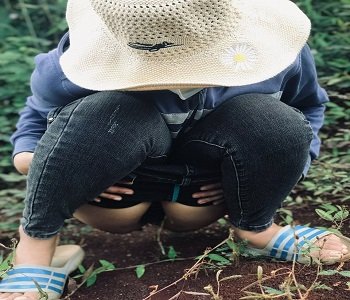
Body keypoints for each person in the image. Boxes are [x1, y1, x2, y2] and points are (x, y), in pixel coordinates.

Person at [1, 0, 350, 299]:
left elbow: (306, 108)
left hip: (202, 194)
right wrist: (44, 164)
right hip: (114, 197)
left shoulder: (277, 55)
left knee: (272, 117)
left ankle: (258, 231)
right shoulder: (74, 63)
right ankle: (35, 251)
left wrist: (270, 175)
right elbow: (37, 117)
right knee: (107, 112)